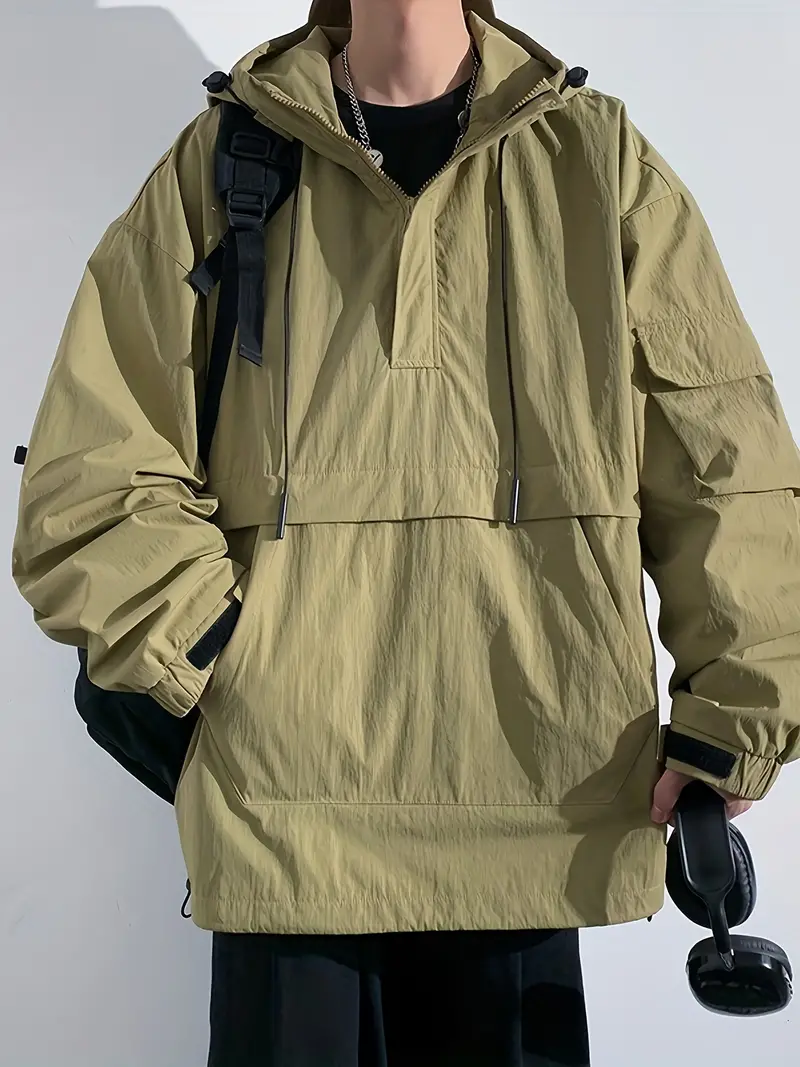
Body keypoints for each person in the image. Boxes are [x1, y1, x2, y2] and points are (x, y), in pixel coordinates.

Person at [12, 0, 800, 1063]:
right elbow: (89, 476)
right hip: (287, 821)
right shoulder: (228, 155)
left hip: (534, 806)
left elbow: (725, 460)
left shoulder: (594, 159)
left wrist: (740, 707)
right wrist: (231, 664)